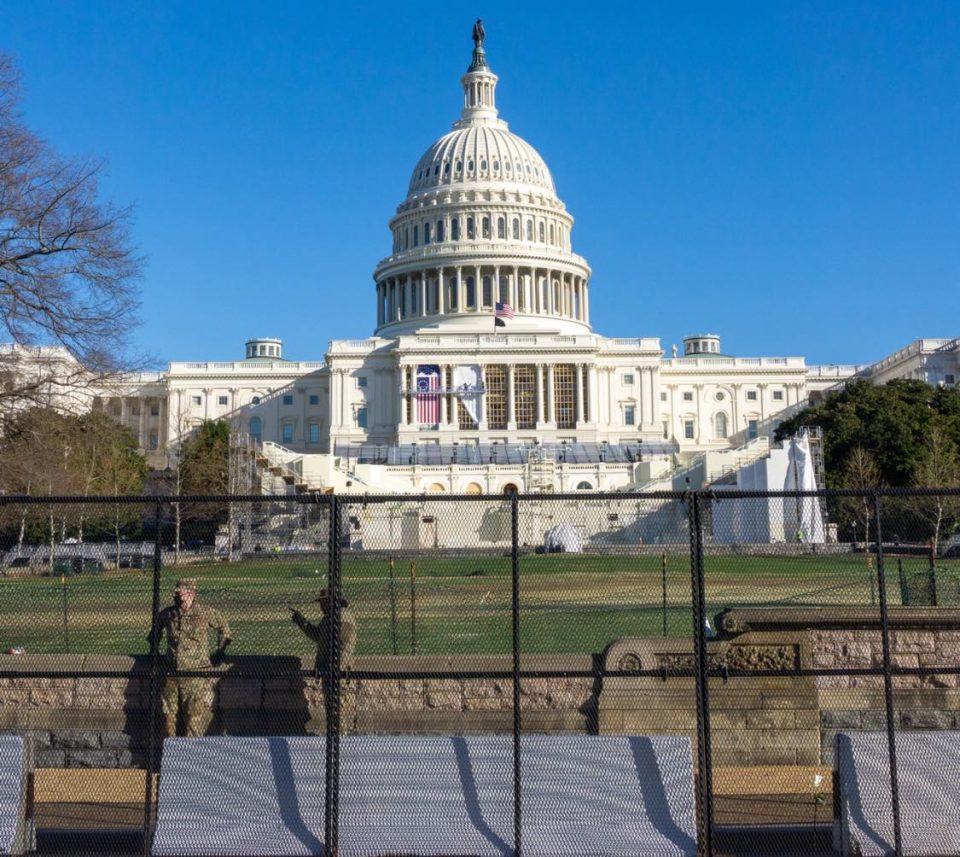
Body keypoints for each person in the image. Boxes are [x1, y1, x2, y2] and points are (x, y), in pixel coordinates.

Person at [153, 578, 231, 737]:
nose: (180, 597)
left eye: (183, 593)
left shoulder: (204, 613)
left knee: (194, 717)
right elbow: (155, 632)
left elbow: (224, 626)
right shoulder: (168, 614)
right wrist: (153, 651)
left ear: (192, 593)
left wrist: (220, 650)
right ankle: (171, 752)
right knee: (167, 715)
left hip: (195, 674)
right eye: (178, 594)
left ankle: (191, 756)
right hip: (171, 672)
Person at [290, 589, 357, 732]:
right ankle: (335, 731)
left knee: (337, 702)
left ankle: (339, 733)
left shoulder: (342, 617)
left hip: (337, 668)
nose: (320, 606)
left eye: (323, 602)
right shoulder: (329, 618)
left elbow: (344, 644)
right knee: (331, 703)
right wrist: (302, 621)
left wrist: (335, 665)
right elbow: (319, 636)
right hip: (329, 668)